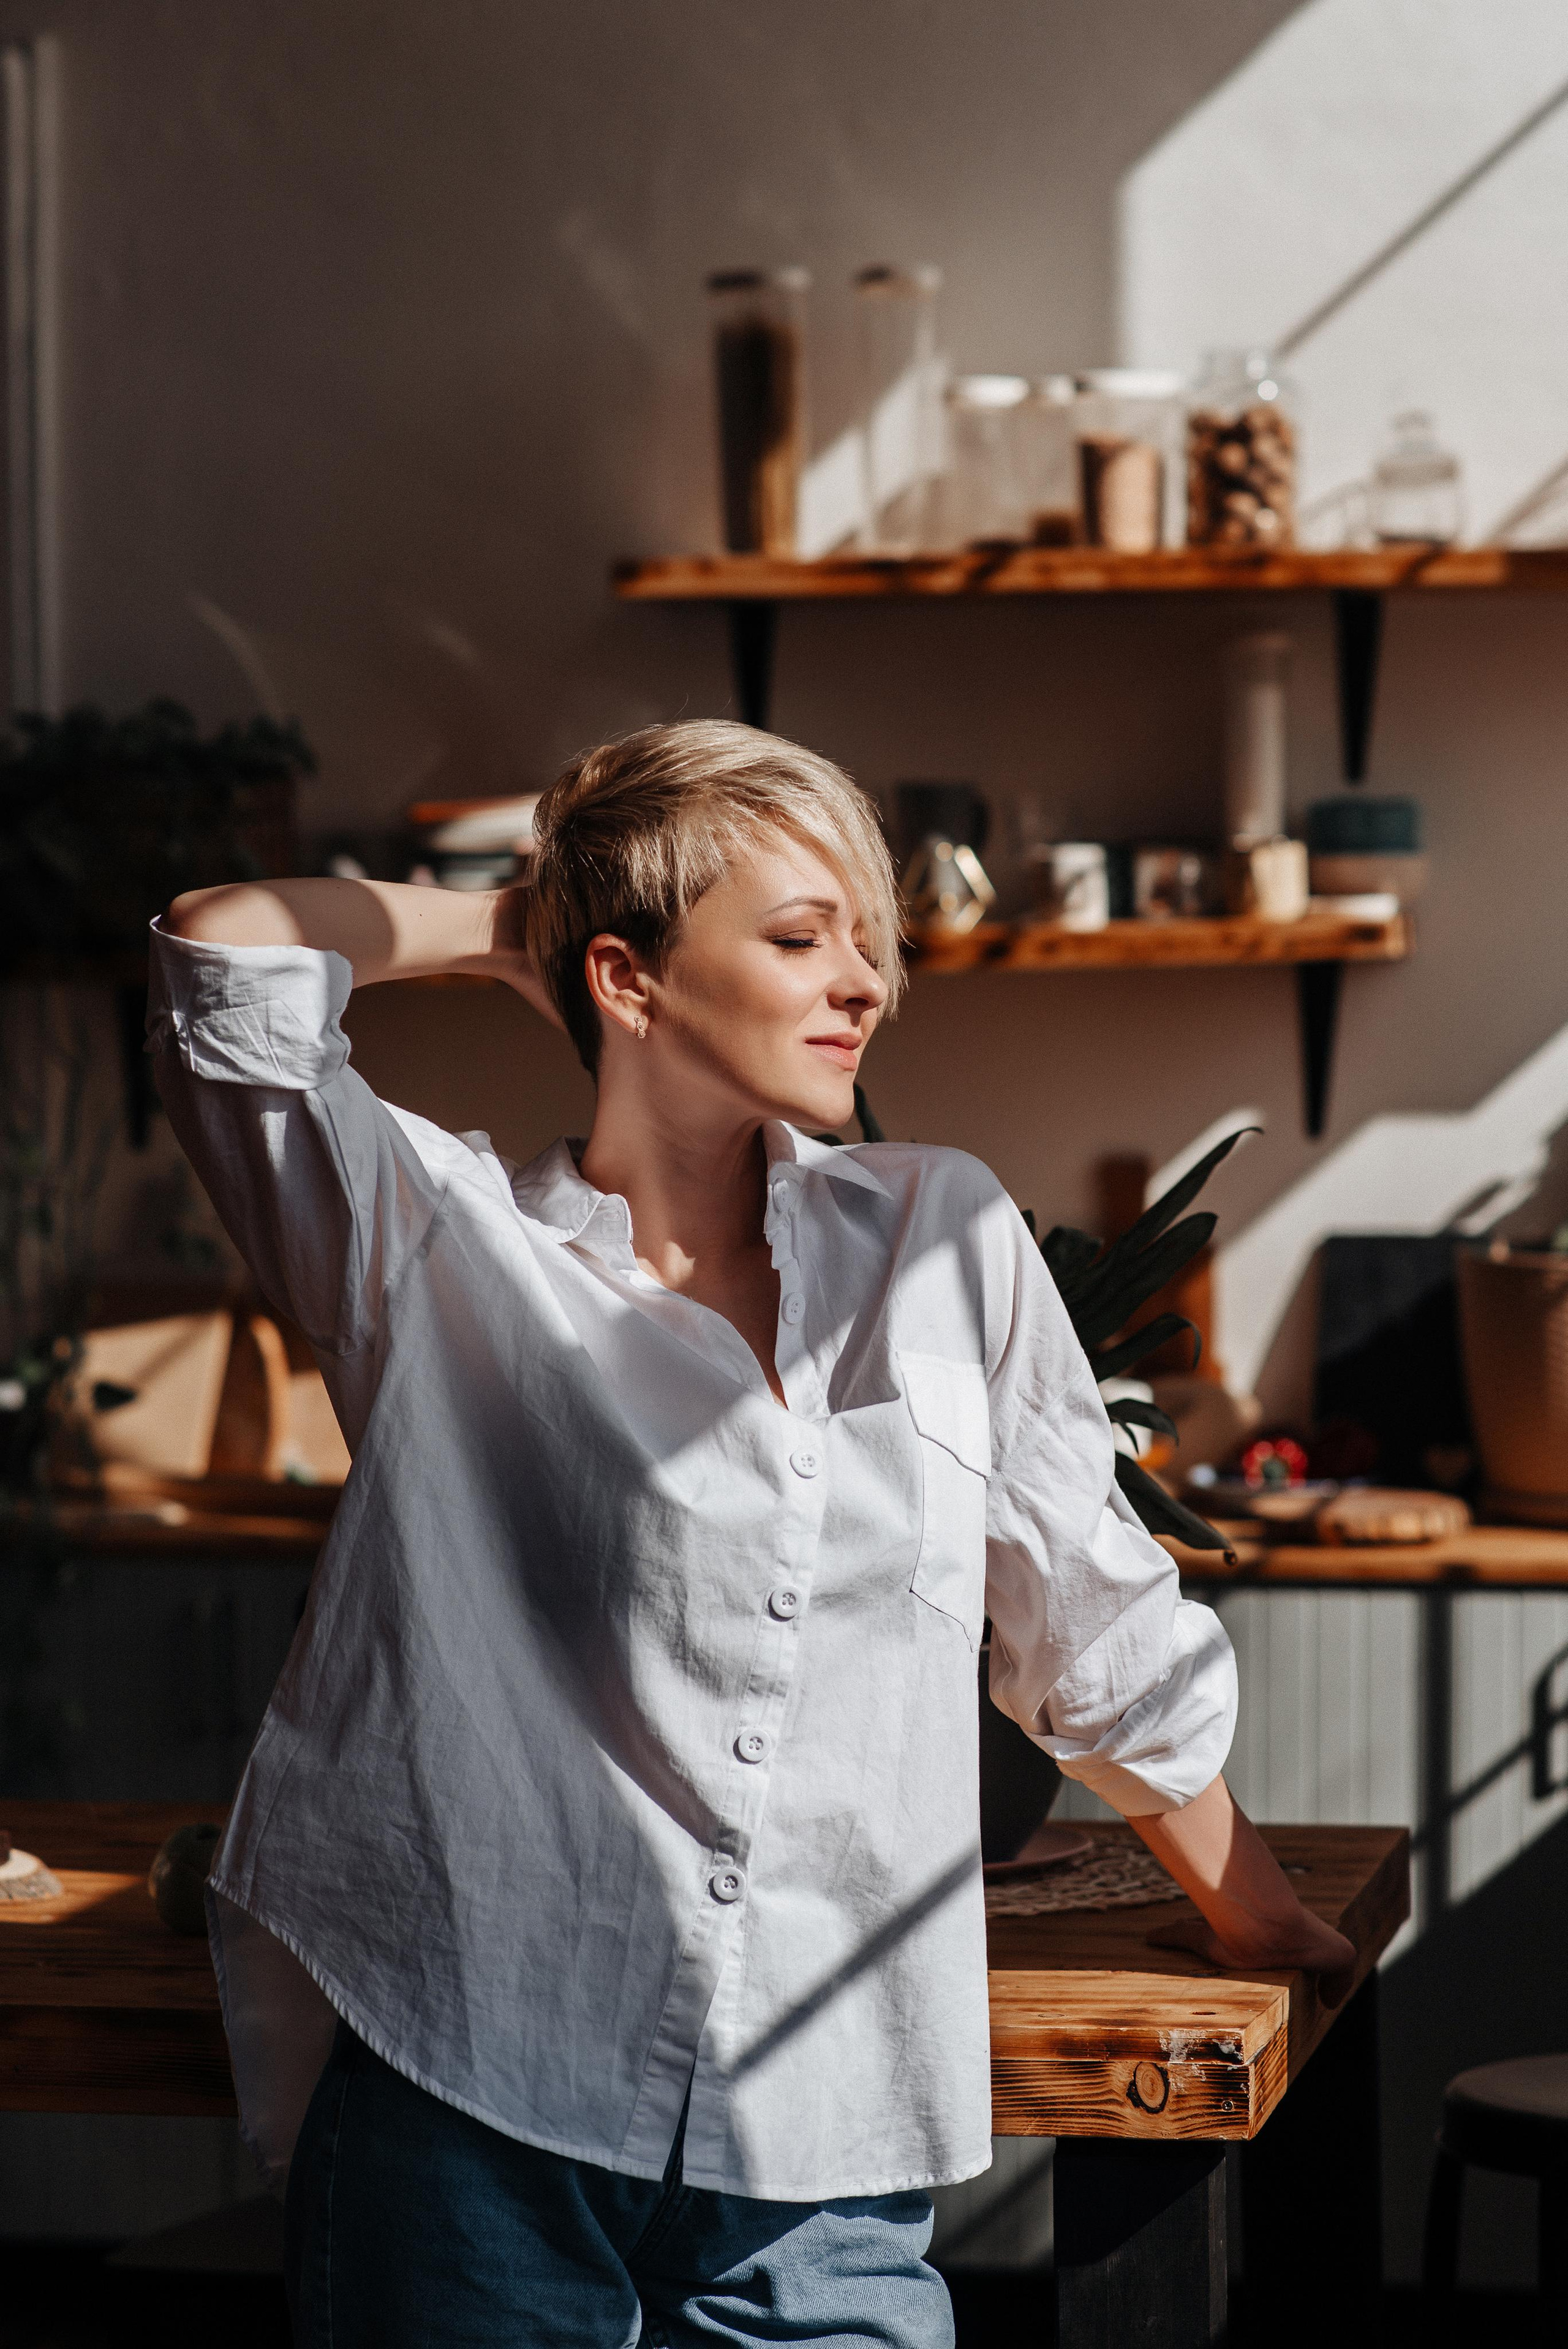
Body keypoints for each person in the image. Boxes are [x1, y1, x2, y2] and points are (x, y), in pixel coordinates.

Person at [154, 720, 1352, 2348]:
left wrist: (1255, 1915)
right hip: (473, 2096)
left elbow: (1090, 1622)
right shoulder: (434, 1243)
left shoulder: (940, 1233)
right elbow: (224, 963)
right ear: (628, 980)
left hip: (821, 2144)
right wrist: (520, 925)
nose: (863, 982)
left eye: (868, 939)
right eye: (801, 937)